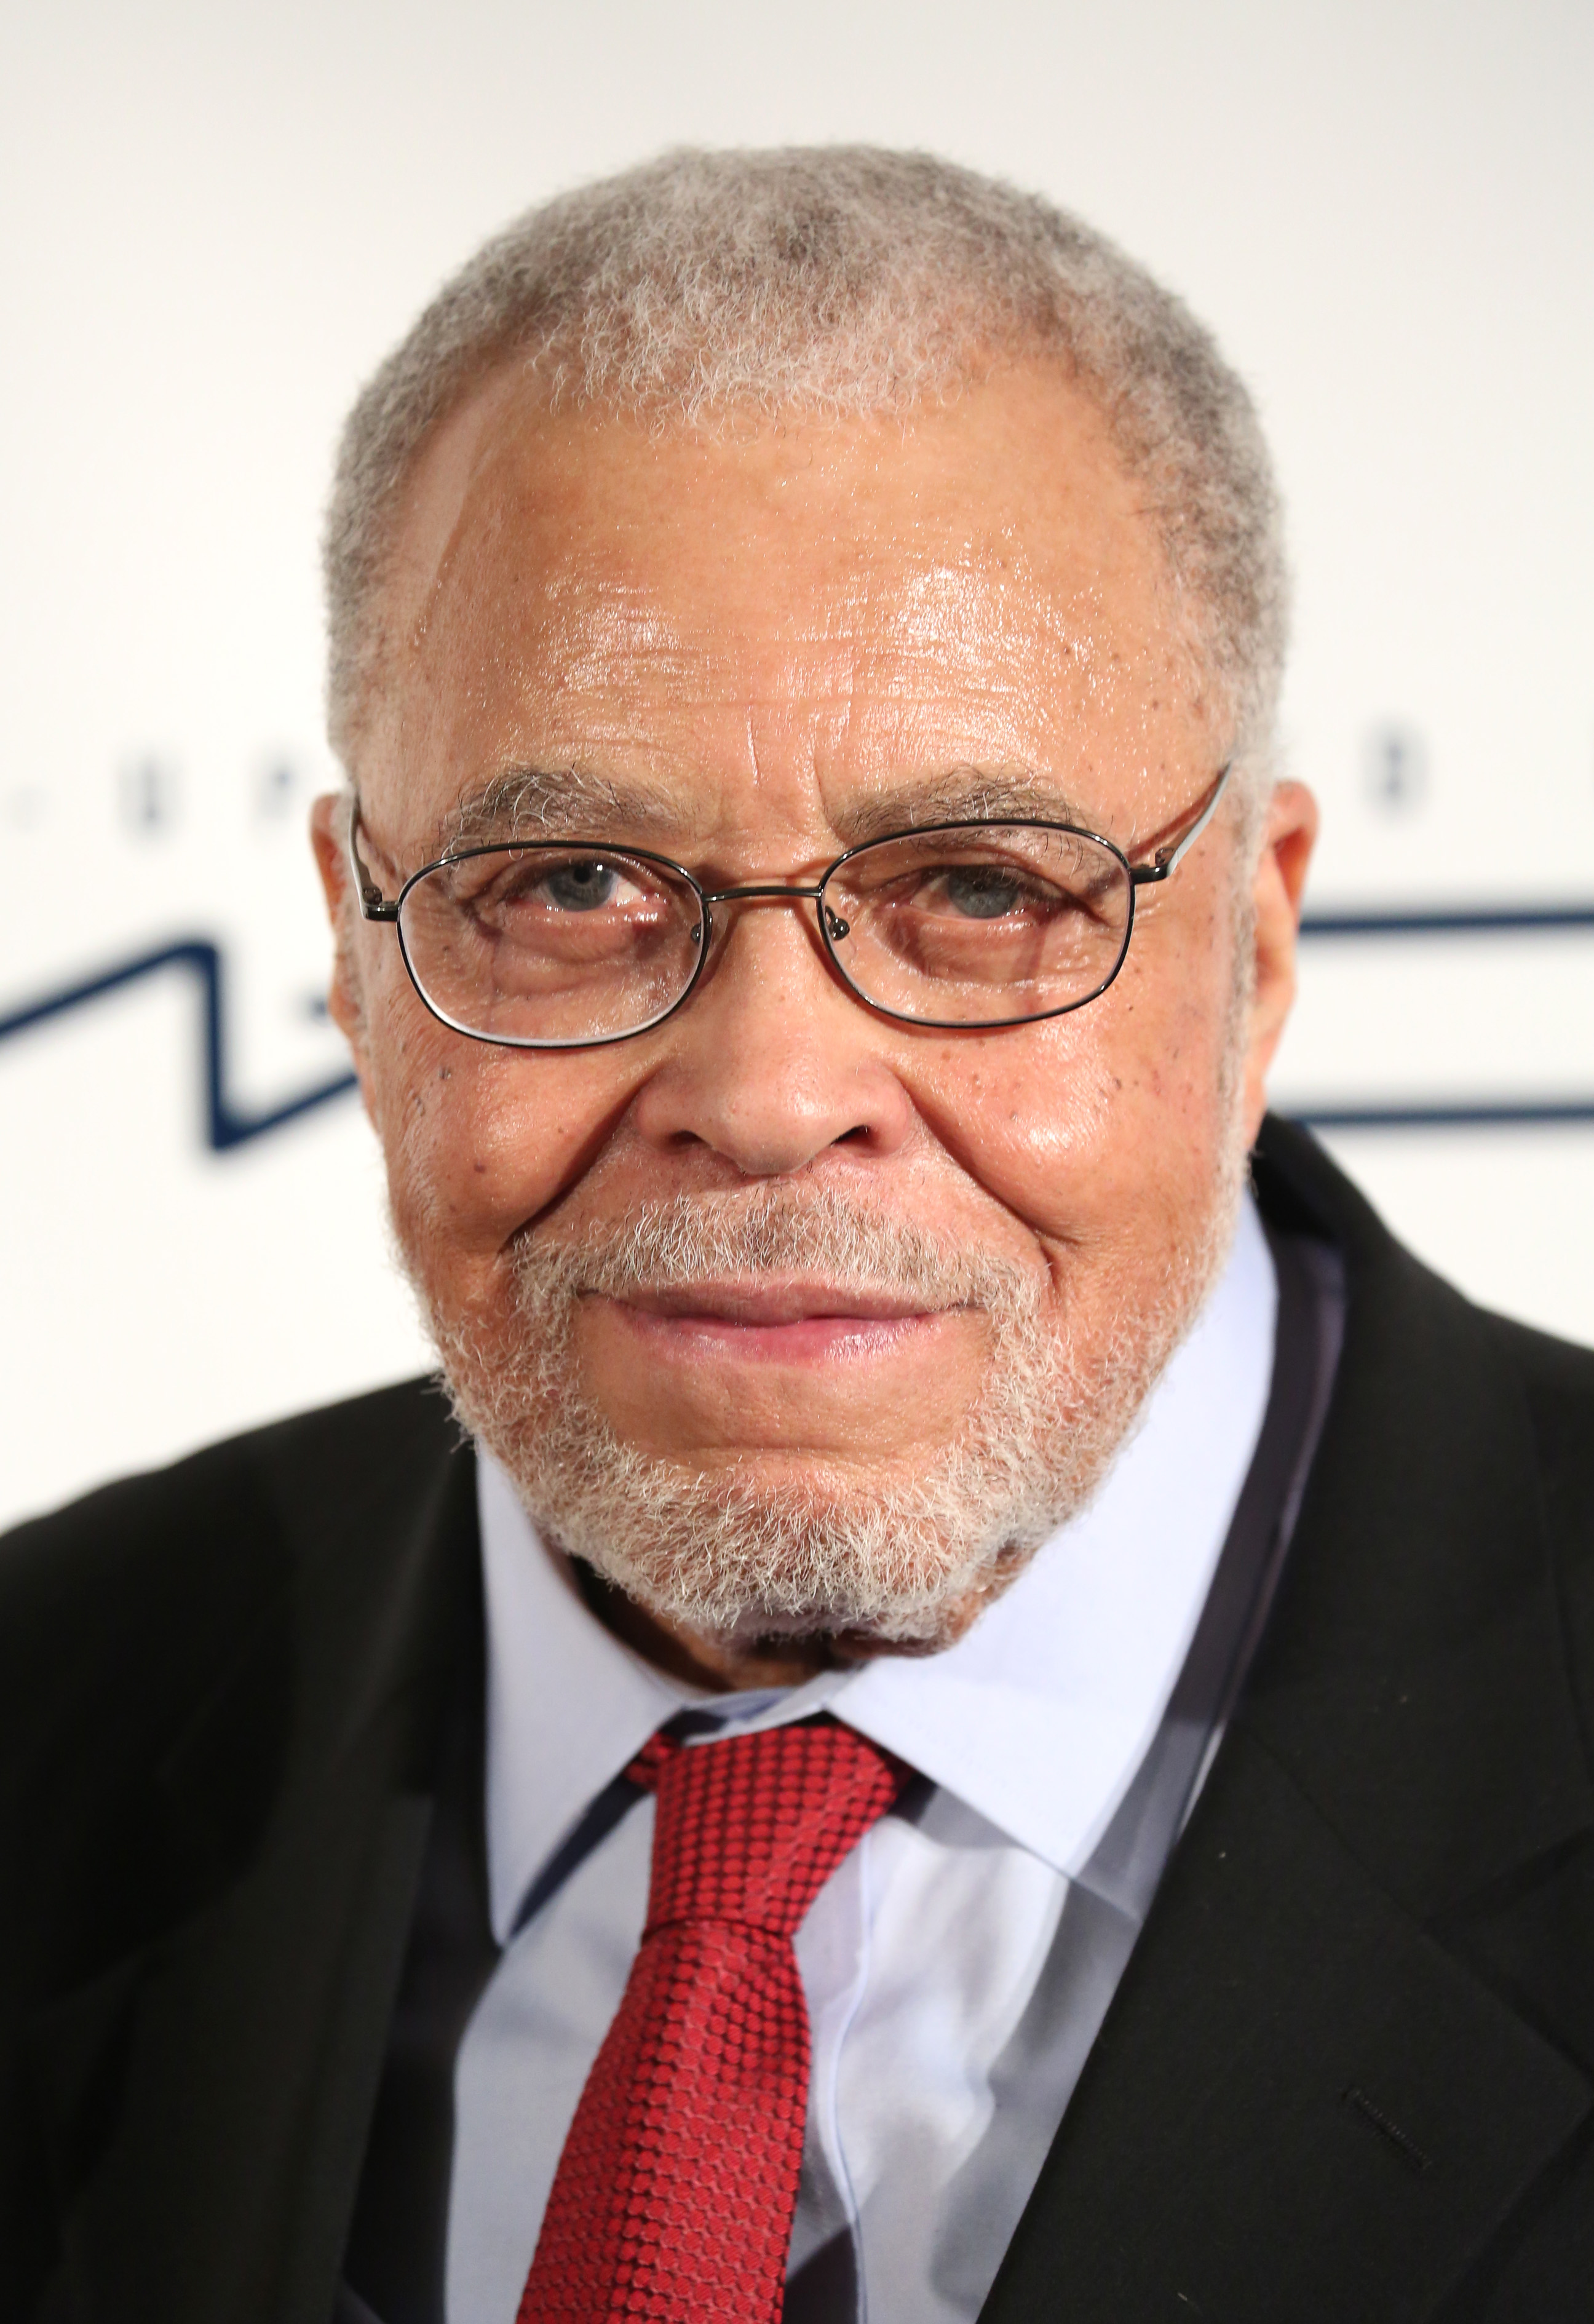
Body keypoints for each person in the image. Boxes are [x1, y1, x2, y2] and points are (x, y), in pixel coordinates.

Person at [3, 147, 1592, 2324]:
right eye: (568, 885)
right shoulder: (50, 1715)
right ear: (360, 955)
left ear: (1260, 941)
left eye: (977, 889)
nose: (765, 1091)